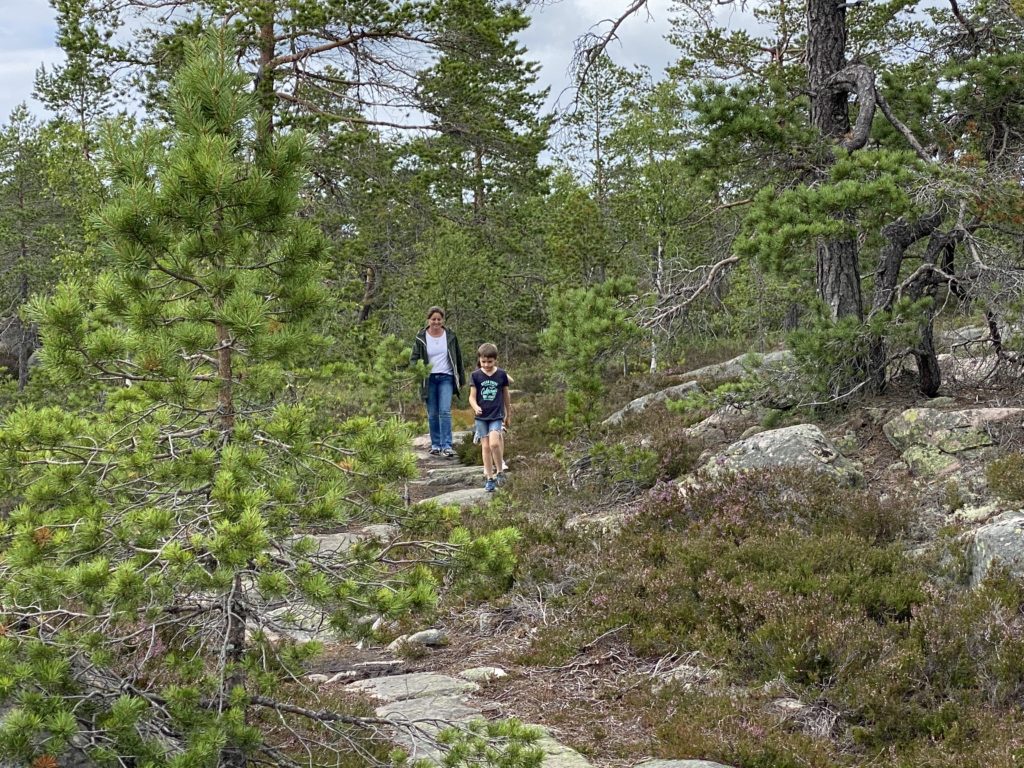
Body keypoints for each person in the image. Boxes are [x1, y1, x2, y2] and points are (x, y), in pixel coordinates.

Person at [410, 306, 465, 457]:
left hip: (446, 377)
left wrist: (461, 378)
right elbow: (414, 359)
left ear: (443, 320)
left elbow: (458, 357)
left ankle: (447, 445)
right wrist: (418, 372)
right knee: (433, 413)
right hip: (429, 379)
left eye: (439, 319)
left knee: (445, 411)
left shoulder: (450, 336)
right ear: (428, 320)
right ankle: (435, 445)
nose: (436, 322)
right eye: (433, 319)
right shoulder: (421, 337)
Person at [469, 343, 511, 492]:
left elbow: (506, 395)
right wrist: (475, 407)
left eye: (490, 362)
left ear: (495, 360)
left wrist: (508, 413)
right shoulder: (475, 376)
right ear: (479, 360)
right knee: (485, 447)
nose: (486, 365)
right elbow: (472, 397)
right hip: (481, 417)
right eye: (483, 362)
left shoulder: (501, 374)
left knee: (494, 444)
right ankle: (489, 478)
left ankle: (499, 471)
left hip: (496, 415)